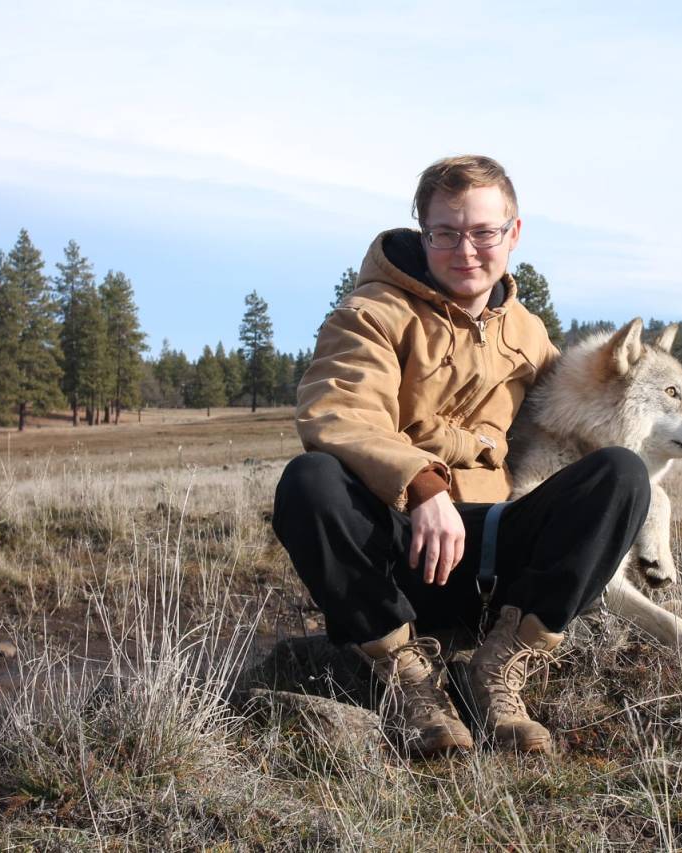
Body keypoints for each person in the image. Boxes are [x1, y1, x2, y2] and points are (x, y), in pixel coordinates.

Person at [272, 155, 650, 755]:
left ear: (513, 233)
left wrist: (654, 506)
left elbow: (570, 428)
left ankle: (500, 664)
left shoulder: (527, 332)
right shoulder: (369, 315)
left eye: (483, 232)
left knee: (620, 475)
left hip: (496, 558)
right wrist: (423, 485)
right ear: (424, 234)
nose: (465, 250)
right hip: (396, 552)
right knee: (309, 482)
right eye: (445, 233)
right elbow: (337, 413)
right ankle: (408, 676)